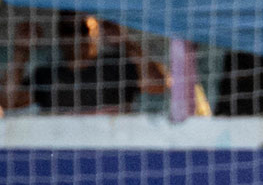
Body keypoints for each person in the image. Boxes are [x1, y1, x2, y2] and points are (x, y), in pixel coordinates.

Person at [2, 11, 167, 113]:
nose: (75, 37)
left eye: (82, 29)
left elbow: (159, 84)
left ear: (95, 32)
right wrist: (21, 51)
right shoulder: (47, 75)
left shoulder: (116, 66)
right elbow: (8, 101)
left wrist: (125, 42)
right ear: (59, 34)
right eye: (68, 30)